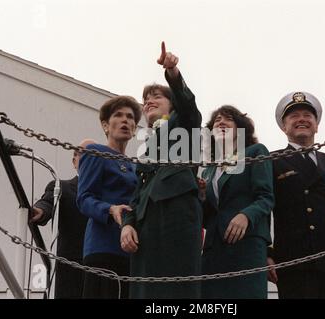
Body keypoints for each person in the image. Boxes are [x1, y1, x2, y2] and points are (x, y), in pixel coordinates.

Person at [120, 42, 203, 299]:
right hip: (146, 224)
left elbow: (188, 106)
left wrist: (173, 73)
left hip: (177, 215)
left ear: (172, 104)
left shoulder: (184, 124)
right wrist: (127, 225)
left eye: (156, 97)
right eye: (145, 100)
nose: (148, 102)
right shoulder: (146, 146)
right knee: (145, 291)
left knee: (178, 290)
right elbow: (137, 193)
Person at [268, 91, 325, 299]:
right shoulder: (271, 162)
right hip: (293, 263)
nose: (302, 119)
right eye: (294, 116)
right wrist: (266, 253)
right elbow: (264, 208)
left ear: (316, 125)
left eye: (307, 115)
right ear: (284, 127)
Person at [199, 105, 274, 299]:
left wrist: (245, 215)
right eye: (217, 120)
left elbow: (266, 197)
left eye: (228, 119)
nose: (221, 122)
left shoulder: (255, 151)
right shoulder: (209, 170)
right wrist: (201, 197)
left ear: (240, 128)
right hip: (214, 250)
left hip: (246, 245)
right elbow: (207, 217)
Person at [77, 95, 141, 299]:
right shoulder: (96, 152)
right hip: (104, 247)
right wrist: (109, 209)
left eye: (130, 117)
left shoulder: (136, 166)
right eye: (119, 115)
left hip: (132, 251)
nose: (126, 120)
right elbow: (84, 198)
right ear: (106, 125)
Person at [31, 138, 95, 299]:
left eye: (94, 156)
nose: (89, 160)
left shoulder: (109, 195)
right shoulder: (61, 188)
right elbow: (46, 203)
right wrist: (39, 211)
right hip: (69, 275)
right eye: (83, 155)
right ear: (74, 161)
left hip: (102, 272)